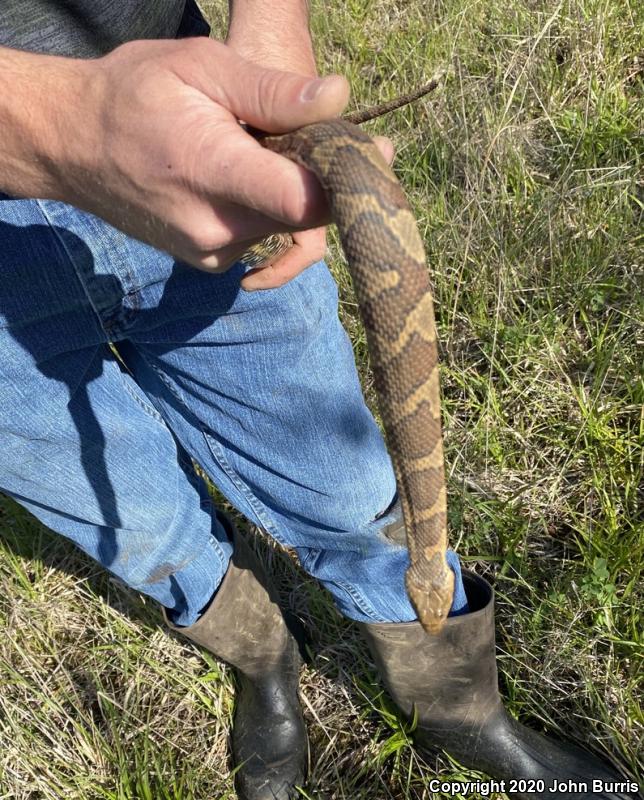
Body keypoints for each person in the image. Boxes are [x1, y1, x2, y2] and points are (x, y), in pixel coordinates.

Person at [0, 2, 636, 799]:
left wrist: (274, 31)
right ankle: (263, 657)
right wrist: (52, 123)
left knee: (346, 483)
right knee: (132, 523)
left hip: (194, 128)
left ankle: (457, 709)